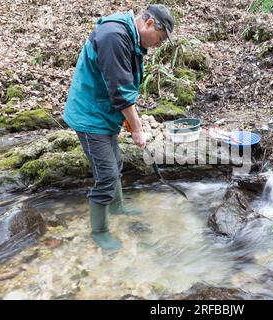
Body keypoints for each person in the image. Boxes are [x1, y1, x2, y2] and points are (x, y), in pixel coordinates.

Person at [62, 4, 174, 250]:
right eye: (161, 38)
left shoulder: (129, 37)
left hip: (104, 113)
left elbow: (122, 85)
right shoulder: (114, 36)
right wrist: (137, 129)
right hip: (91, 116)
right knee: (106, 176)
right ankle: (99, 232)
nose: (159, 44)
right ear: (149, 24)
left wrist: (130, 121)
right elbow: (122, 94)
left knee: (116, 165)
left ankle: (118, 207)